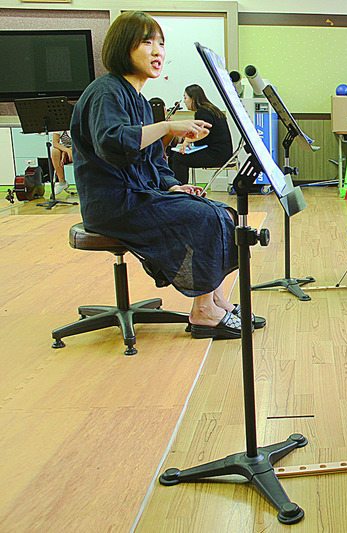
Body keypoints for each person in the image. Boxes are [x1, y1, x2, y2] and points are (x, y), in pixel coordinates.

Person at [70, 11, 264, 340]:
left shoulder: (140, 102)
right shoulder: (106, 93)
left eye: (161, 43)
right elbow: (111, 143)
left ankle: (215, 299)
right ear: (122, 47)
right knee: (203, 219)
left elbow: (153, 162)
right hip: (113, 203)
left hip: (137, 196)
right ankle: (203, 312)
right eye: (147, 42)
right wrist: (168, 126)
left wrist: (174, 185)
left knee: (222, 213)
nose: (158, 50)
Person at [167, 84, 233, 185]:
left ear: (193, 99)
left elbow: (204, 131)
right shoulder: (210, 109)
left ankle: (179, 192)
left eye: (185, 98)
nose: (184, 101)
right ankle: (174, 187)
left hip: (217, 154)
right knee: (176, 156)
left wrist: (187, 141)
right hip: (222, 151)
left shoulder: (203, 112)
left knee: (178, 158)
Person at [52, 130, 73, 195]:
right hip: (65, 149)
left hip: (78, 149)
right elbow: (55, 143)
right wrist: (66, 151)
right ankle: (62, 182)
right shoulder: (59, 125)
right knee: (55, 152)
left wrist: (70, 150)